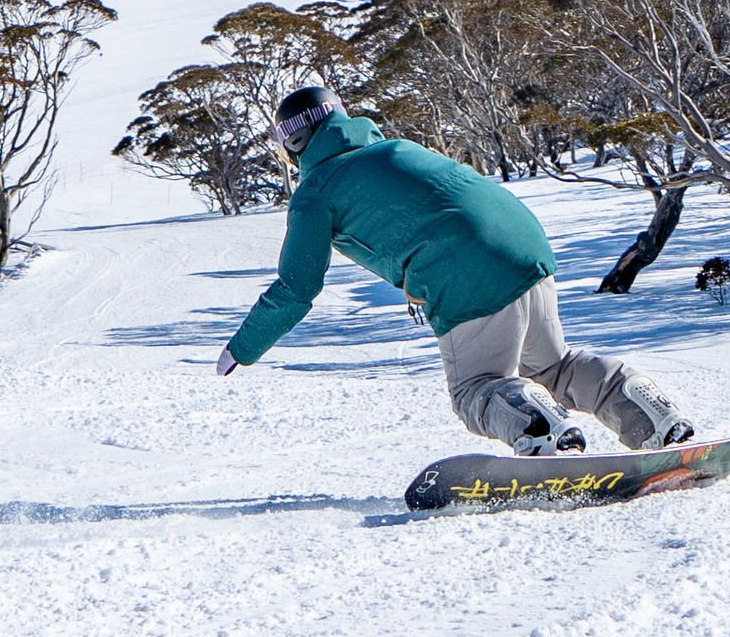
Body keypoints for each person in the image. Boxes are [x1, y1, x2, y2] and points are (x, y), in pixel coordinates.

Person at [213, 82, 693, 457]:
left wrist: (243, 347)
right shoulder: (394, 148)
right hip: (528, 246)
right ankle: (648, 412)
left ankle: (540, 427)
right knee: (552, 366)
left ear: (295, 140)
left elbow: (298, 286)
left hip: (465, 272)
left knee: (476, 389)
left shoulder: (316, 190)